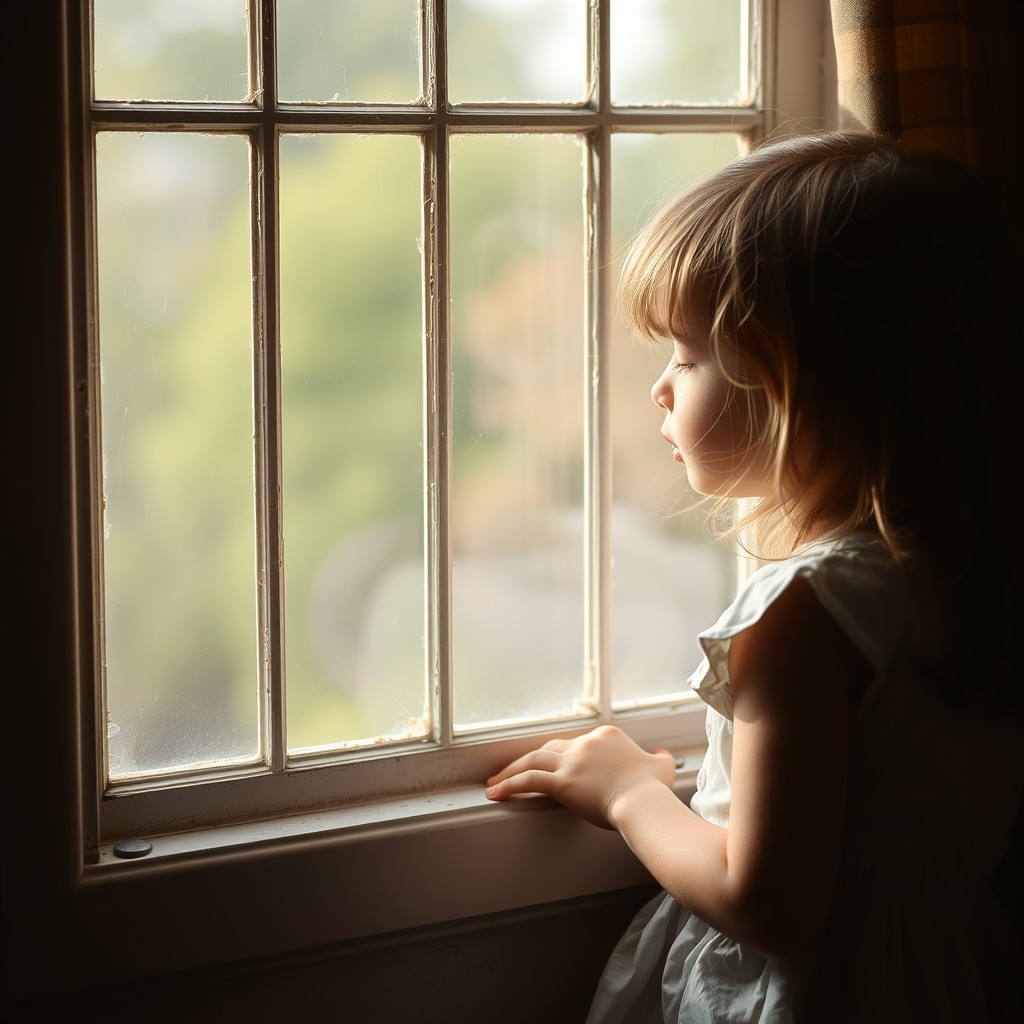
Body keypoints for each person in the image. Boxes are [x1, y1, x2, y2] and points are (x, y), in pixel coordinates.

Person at [484, 129, 1024, 1023]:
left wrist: (628, 792)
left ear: (803, 385)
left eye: (688, 358)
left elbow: (768, 902)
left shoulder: (806, 613)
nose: (661, 388)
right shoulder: (961, 573)